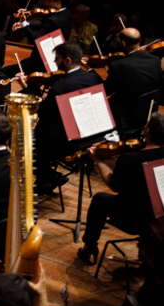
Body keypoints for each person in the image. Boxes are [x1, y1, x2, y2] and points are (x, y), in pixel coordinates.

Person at [78, 112, 164, 264]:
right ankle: (147, 257)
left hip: (133, 220)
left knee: (100, 199)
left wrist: (98, 160)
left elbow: (113, 185)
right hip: (159, 222)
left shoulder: (131, 159)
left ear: (147, 131)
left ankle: (89, 247)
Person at [33, 41, 101, 191]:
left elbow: (43, 113)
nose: (55, 62)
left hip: (69, 143)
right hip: (92, 134)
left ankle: (46, 177)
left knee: (35, 136)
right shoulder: (93, 78)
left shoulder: (60, 86)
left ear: (68, 60)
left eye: (57, 59)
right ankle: (49, 174)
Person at [105, 28, 163, 136]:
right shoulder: (155, 60)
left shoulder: (118, 65)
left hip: (128, 115)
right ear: (140, 41)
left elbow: (107, 90)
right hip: (150, 110)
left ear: (123, 43)